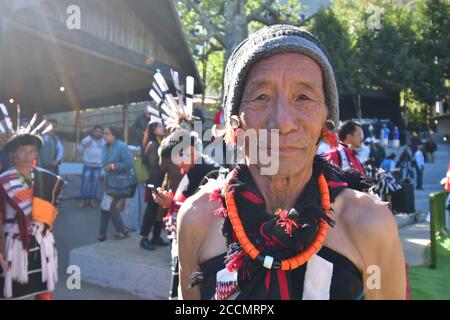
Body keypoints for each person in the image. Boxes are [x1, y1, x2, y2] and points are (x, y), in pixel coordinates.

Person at [177, 25, 405, 300]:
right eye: (262, 97)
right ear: (235, 122)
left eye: (304, 97)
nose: (283, 123)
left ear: (326, 120)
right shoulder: (196, 220)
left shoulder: (369, 223)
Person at [0, 114, 64, 299]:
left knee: (44, 291)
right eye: (22, 150)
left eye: (32, 150)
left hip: (42, 242)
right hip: (13, 244)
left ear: (37, 153)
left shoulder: (47, 178)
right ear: (13, 153)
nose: (28, 155)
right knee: (10, 292)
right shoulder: (3, 181)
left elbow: (53, 211)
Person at [153, 128, 222, 299]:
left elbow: (203, 215)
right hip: (186, 247)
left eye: (177, 158)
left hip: (203, 252)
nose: (177, 165)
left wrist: (172, 204)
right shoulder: (192, 172)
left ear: (189, 151)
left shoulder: (212, 173)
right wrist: (169, 203)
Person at [98, 127, 133, 241]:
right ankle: (117, 231)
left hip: (119, 182)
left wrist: (114, 166)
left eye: (107, 133)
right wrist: (105, 171)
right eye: (104, 133)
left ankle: (118, 231)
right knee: (106, 207)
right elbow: (104, 163)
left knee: (109, 207)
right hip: (109, 182)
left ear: (114, 135)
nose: (104, 135)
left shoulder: (121, 146)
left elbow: (129, 163)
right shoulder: (104, 147)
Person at [139, 119, 169, 251]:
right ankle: (144, 238)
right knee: (151, 209)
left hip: (161, 180)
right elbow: (155, 164)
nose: (163, 128)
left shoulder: (161, 141)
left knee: (160, 209)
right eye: (160, 126)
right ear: (153, 129)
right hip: (154, 180)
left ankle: (156, 237)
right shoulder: (152, 144)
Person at [78, 125, 105, 208]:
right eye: (96, 131)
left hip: (98, 166)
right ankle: (82, 200)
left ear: (102, 133)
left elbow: (106, 151)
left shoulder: (104, 141)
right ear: (93, 132)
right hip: (88, 165)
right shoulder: (88, 139)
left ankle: (92, 200)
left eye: (99, 132)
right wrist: (85, 157)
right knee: (85, 183)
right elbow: (80, 149)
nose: (98, 133)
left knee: (95, 184)